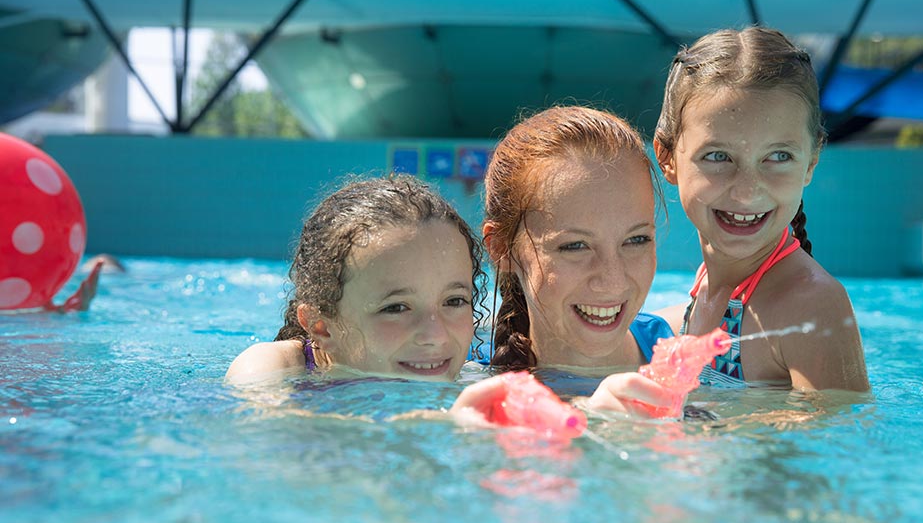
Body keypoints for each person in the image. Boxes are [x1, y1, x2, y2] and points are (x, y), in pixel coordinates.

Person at [647, 26, 869, 392]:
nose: (748, 191)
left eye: (778, 156)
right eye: (718, 156)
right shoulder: (703, 292)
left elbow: (835, 444)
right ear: (667, 157)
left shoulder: (810, 305)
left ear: (811, 163)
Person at [225, 175, 486, 384]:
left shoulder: (474, 377)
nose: (436, 336)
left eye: (454, 301)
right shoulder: (270, 369)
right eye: (395, 307)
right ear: (321, 327)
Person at [481, 104, 673, 374]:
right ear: (502, 249)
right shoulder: (454, 378)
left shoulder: (696, 363)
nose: (613, 282)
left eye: (636, 240)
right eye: (575, 246)